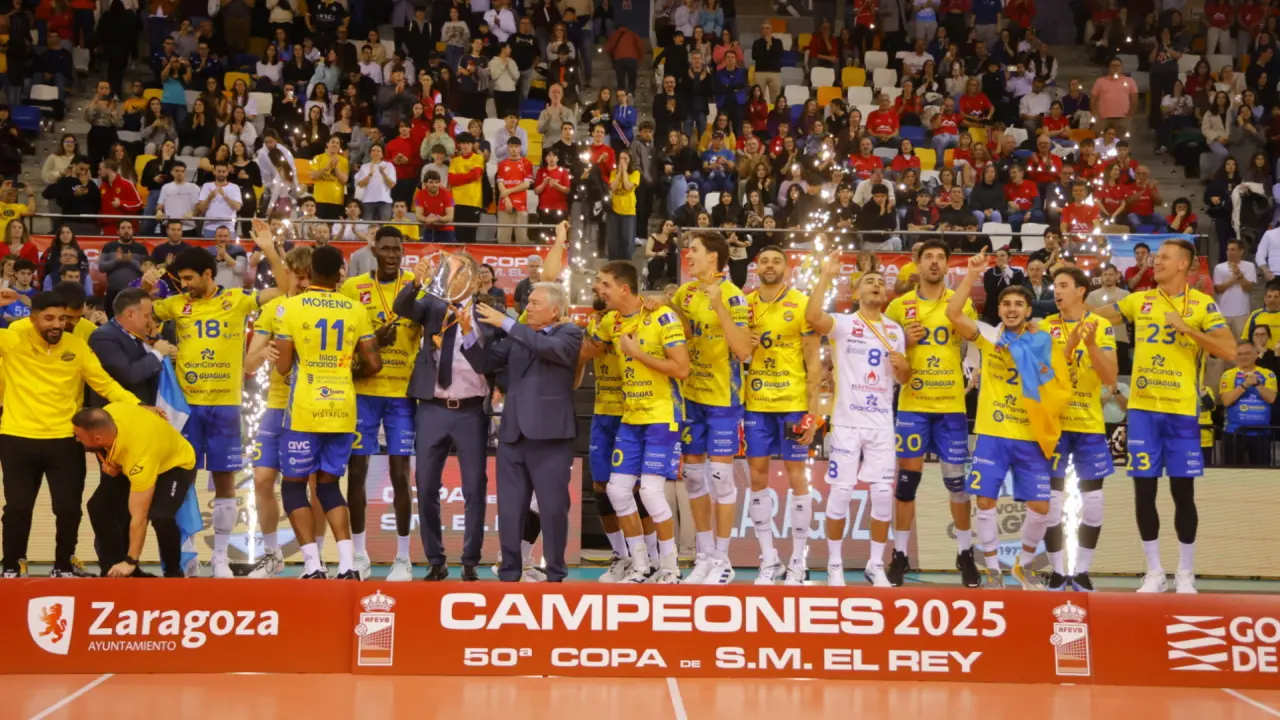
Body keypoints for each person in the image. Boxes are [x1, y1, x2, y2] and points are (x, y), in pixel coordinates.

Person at [1089, 238, 1237, 594]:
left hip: (1182, 411)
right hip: (1143, 411)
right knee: (1144, 491)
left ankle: (1185, 572)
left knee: (1182, 492)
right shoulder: (1139, 300)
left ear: (1184, 264)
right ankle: (1154, 572)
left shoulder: (1202, 304)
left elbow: (1230, 349)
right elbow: (1099, 315)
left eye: (1165, 257)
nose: (1156, 262)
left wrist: (1189, 329)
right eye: (1155, 257)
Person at [140, 232, 289, 578]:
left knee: (224, 479)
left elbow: (284, 289)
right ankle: (187, 553)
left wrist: (269, 250)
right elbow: (138, 316)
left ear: (208, 274)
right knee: (182, 479)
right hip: (187, 407)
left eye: (189, 278)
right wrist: (145, 288)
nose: (184, 284)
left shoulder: (237, 299)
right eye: (181, 279)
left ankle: (219, 557)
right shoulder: (176, 304)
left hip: (226, 405)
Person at [0, 290, 141, 577]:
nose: (57, 324)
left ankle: (63, 566)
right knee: (17, 509)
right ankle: (11, 565)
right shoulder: (12, 340)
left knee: (68, 509)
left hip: (65, 441)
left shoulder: (77, 346)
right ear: (32, 318)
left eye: (62, 318)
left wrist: (139, 407)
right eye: (49, 318)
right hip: (17, 438)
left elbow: (105, 384)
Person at [946, 250, 1055, 589]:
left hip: (1029, 435)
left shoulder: (1041, 338)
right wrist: (971, 275)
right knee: (985, 501)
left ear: (1028, 310)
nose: (1011, 309)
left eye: (1018, 304)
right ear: (999, 308)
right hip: (992, 433)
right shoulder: (988, 336)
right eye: (1006, 304)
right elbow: (953, 313)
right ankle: (993, 570)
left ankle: (1023, 565)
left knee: (1042, 507)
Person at [273, 245, 382, 580]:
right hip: (342, 407)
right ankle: (348, 565)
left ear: (310, 271)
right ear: (340, 273)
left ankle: (313, 566)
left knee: (294, 487)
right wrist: (344, 370)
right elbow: (374, 363)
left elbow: (282, 366)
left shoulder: (290, 308)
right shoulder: (356, 309)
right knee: (329, 486)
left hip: (304, 409)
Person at [465, 275, 583, 583]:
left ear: (554, 311)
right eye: (527, 302)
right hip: (512, 436)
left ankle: (555, 574)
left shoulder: (569, 333)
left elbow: (548, 348)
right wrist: (467, 332)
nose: (527, 307)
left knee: (552, 509)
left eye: (534, 303)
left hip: (551, 438)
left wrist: (506, 323)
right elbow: (485, 363)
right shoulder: (519, 336)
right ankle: (509, 572)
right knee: (510, 510)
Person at [394, 251, 498, 581]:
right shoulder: (432, 304)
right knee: (425, 486)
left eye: (459, 271)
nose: (452, 276)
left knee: (474, 488)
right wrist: (415, 282)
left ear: (474, 278)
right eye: (449, 271)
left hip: (471, 410)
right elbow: (402, 308)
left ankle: (470, 560)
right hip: (432, 408)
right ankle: (435, 559)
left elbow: (498, 357)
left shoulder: (488, 313)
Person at [583, 260, 688, 583]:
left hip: (662, 416)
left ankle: (670, 568)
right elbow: (587, 349)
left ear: (624, 288)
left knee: (651, 494)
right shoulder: (610, 321)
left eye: (605, 284)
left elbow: (682, 369)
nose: (599, 289)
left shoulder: (662, 316)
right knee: (616, 491)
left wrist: (638, 353)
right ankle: (641, 566)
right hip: (630, 417)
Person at [807, 257, 910, 587]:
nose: (877, 285)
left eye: (881, 282)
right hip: (847, 422)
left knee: (882, 495)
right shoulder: (842, 323)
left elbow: (905, 378)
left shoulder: (895, 330)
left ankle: (875, 564)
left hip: (881, 424)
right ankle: (834, 564)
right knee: (840, 492)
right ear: (855, 292)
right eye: (869, 281)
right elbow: (812, 317)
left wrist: (903, 367)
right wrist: (825, 276)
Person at [883, 239, 979, 587]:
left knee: (957, 483)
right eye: (929, 257)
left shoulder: (961, 301)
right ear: (918, 263)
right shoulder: (898, 306)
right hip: (913, 405)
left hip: (950, 406)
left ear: (948, 265)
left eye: (941, 257)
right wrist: (904, 341)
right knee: (907, 483)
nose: (935, 262)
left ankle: (965, 553)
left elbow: (974, 340)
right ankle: (900, 554)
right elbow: (884, 352)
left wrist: (973, 372)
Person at [339, 228, 421, 581]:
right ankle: (359, 554)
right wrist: (374, 342)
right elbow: (344, 339)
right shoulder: (352, 287)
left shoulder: (416, 284)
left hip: (403, 394)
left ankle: (403, 557)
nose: (392, 255)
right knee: (357, 473)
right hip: (364, 392)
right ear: (373, 250)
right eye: (385, 249)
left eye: (397, 250)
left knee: (401, 475)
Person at [670, 233, 751, 584]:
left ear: (713, 256)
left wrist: (718, 306)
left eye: (695, 250)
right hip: (691, 396)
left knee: (720, 478)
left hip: (723, 399)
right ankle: (703, 557)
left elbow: (744, 350)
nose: (688, 255)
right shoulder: (685, 293)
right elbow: (681, 334)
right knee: (692, 477)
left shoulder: (733, 296)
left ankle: (723, 559)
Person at [244, 246, 329, 579]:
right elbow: (248, 364)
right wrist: (264, 351)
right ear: (288, 274)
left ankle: (316, 558)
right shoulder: (273, 308)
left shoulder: (325, 307)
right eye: (298, 276)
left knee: (316, 485)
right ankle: (271, 555)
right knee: (262, 479)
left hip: (315, 407)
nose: (304, 282)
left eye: (309, 277)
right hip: (278, 405)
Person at [84, 288, 175, 574]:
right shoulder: (104, 337)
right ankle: (111, 564)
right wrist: (157, 355)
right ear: (129, 314)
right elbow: (128, 375)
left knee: (123, 502)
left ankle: (124, 565)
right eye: (147, 315)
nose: (150, 320)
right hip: (114, 434)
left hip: (137, 433)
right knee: (108, 503)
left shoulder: (134, 338)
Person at [744, 246, 821, 585]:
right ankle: (769, 559)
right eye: (764, 261)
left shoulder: (801, 303)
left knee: (797, 476)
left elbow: (813, 359)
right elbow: (735, 352)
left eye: (776, 261)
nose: (770, 266)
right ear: (756, 268)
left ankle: (798, 560)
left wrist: (814, 411)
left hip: (792, 401)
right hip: (757, 402)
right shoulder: (745, 305)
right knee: (757, 476)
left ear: (787, 268)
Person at [1040, 267, 1119, 592]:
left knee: (1094, 503)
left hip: (1088, 424)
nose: (1056, 291)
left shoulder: (1100, 325)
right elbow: (1042, 372)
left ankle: (1083, 572)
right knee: (1052, 505)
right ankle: (1058, 573)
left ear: (1081, 291)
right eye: (1055, 286)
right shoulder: (1045, 326)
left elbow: (1110, 377)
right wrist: (1070, 346)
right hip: (1054, 426)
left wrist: (1091, 346)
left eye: (1063, 285)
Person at [74, 403, 197, 578]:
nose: (77, 439)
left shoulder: (138, 457)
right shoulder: (109, 413)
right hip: (142, 454)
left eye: (79, 436)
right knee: (99, 506)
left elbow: (139, 517)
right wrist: (110, 461)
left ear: (98, 438)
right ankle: (113, 570)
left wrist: (131, 561)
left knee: (161, 516)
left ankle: (173, 573)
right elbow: (128, 403)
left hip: (174, 464)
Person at [1219, 341, 1277, 466]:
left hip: (1261, 433)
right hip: (1234, 432)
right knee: (1231, 472)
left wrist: (1257, 384)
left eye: (1247, 353)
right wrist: (1245, 384)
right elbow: (1226, 401)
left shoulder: (1268, 374)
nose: (1243, 357)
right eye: (1239, 354)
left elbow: (1271, 398)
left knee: (1261, 473)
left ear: (1256, 355)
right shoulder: (1228, 375)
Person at [1214, 240, 1259, 340]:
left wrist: (1239, 274)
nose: (1229, 252)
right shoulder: (1219, 268)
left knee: (1242, 343)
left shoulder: (1249, 266)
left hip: (1242, 313)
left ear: (1241, 251)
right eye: (1228, 250)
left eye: (1233, 250)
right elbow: (1218, 289)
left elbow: (1248, 288)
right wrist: (1233, 280)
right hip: (1223, 313)